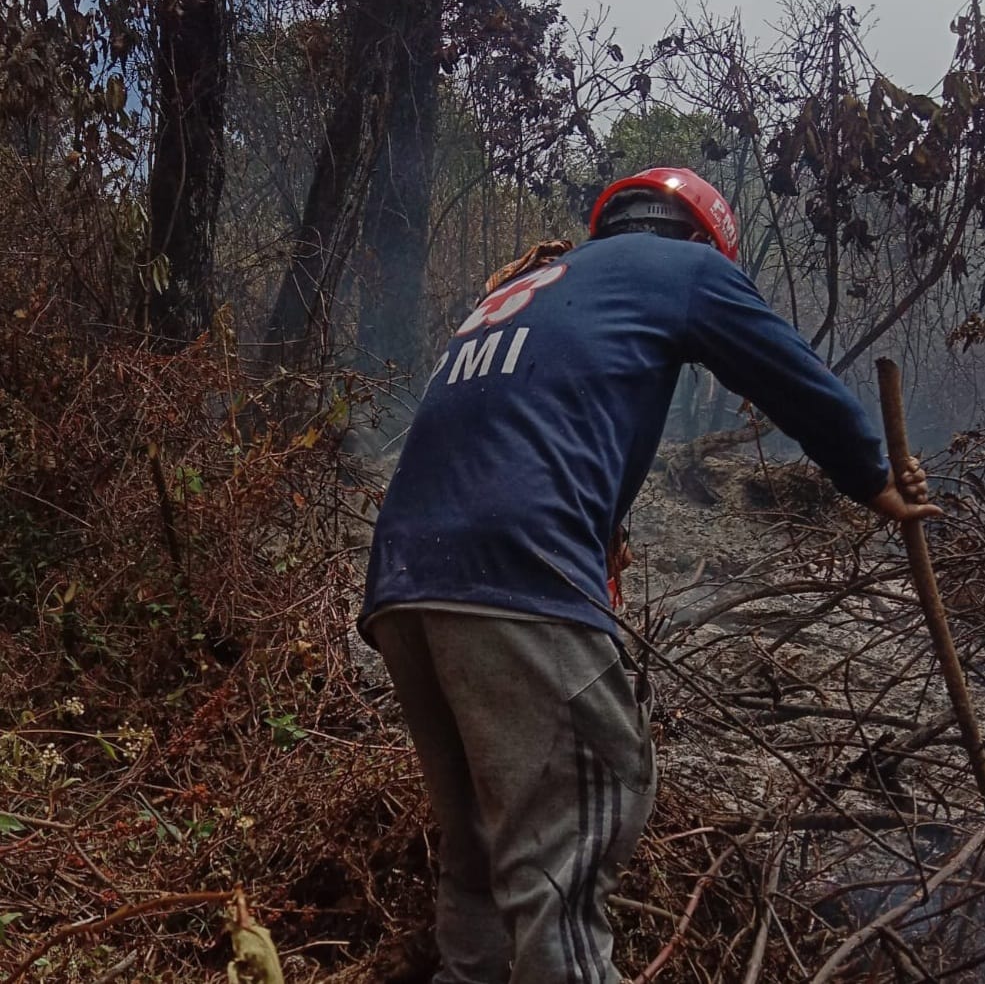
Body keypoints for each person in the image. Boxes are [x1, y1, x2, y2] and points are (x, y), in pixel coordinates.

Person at [358, 168, 939, 984]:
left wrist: (603, 536)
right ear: (704, 239)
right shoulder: (688, 271)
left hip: (405, 583)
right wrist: (874, 477)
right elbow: (790, 377)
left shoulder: (533, 289)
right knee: (578, 822)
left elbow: (524, 427)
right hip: (515, 573)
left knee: (482, 849)